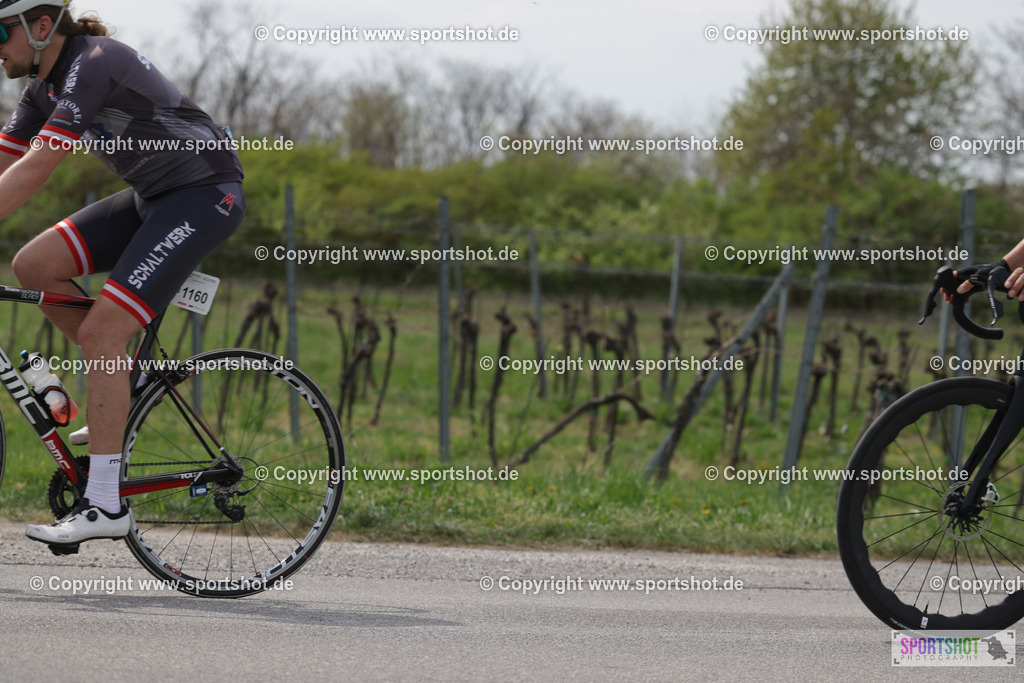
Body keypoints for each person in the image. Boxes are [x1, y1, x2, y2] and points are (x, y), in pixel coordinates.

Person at [0, 0, 245, 549]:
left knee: (101, 333)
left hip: (205, 194)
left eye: (0, 31)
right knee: (34, 266)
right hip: (152, 198)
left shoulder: (95, 60)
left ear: (42, 27)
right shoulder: (42, 88)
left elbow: (38, 167)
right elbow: (5, 159)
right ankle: (128, 380)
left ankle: (106, 503)